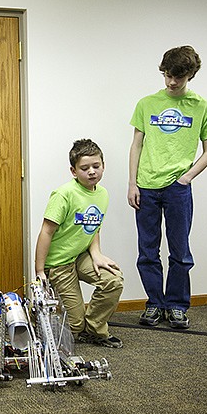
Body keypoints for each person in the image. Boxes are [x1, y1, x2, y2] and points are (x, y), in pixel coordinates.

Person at [128, 46, 207, 330]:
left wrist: (186, 178)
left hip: (178, 188)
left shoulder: (202, 107)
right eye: (168, 75)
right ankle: (155, 304)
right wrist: (132, 183)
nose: (171, 82)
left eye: (178, 77)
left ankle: (177, 306)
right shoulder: (146, 103)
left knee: (180, 252)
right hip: (146, 185)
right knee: (147, 251)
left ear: (191, 74)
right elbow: (137, 144)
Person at [35, 139, 124, 348]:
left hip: (81, 256)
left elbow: (93, 227)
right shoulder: (64, 194)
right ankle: (77, 325)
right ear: (73, 171)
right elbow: (46, 231)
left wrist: (97, 254)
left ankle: (94, 329)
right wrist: (40, 270)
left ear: (103, 165)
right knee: (74, 326)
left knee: (113, 280)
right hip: (59, 263)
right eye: (85, 168)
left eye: (96, 166)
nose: (92, 172)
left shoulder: (102, 194)